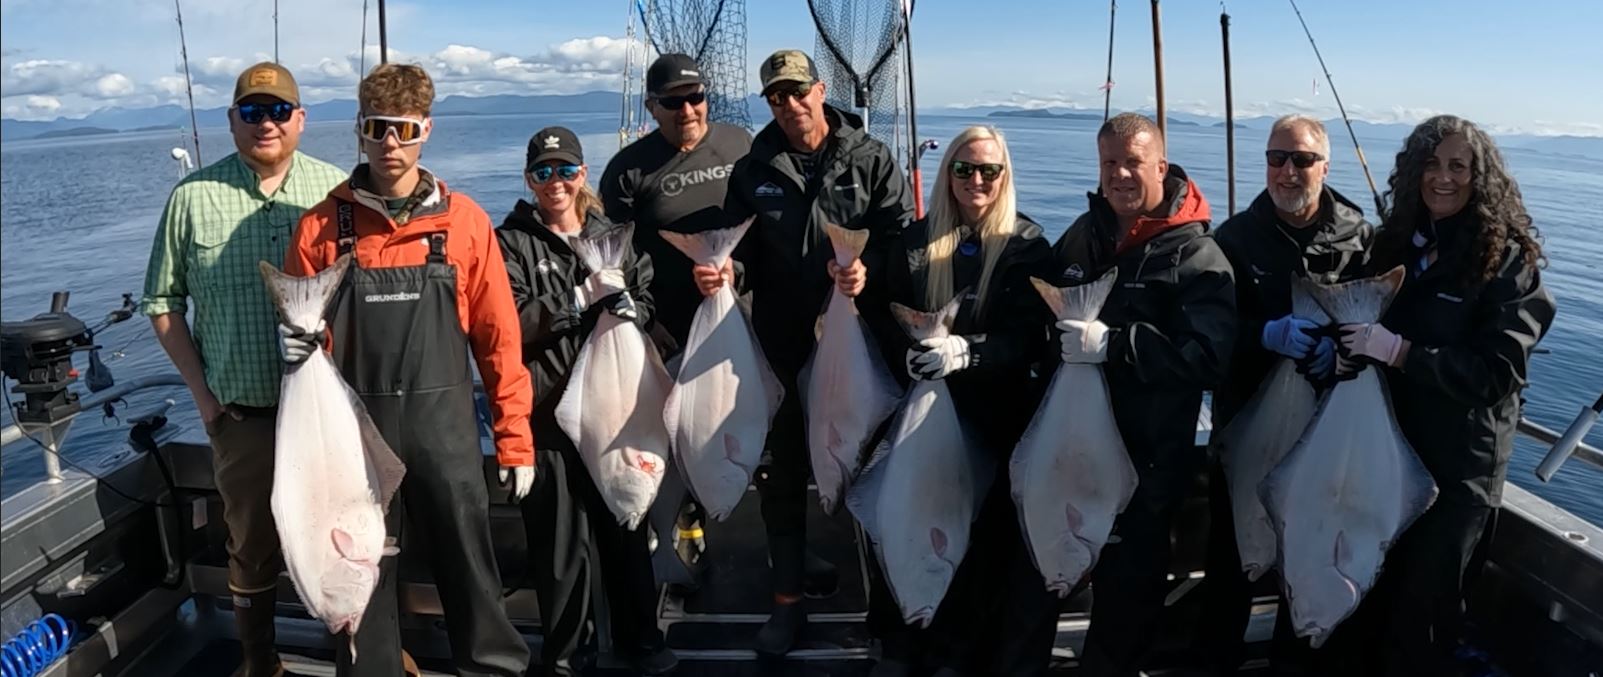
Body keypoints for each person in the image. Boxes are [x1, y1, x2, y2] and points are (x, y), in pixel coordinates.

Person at [281, 63, 533, 677]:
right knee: (359, 584)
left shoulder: (465, 221)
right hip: (353, 444)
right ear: (359, 133)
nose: (390, 144)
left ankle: (494, 668)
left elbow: (499, 341)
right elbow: (303, 344)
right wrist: (291, 347)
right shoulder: (319, 226)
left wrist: (514, 438)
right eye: (376, 128)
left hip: (444, 436)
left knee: (472, 571)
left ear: (426, 131)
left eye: (403, 129)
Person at [139, 62, 346, 677]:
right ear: (232, 121)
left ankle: (361, 652)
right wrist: (203, 397)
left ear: (301, 119)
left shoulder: (335, 190)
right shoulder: (191, 197)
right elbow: (162, 302)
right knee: (250, 544)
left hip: (324, 416)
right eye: (252, 112)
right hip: (242, 414)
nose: (267, 123)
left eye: (279, 110)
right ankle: (260, 660)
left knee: (338, 537)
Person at [1331, 114, 1555, 676]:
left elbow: (1496, 374)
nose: (1443, 178)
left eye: (1459, 166)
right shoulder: (1395, 244)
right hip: (1385, 457)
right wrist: (1346, 348)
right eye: (1430, 164)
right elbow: (1359, 317)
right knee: (1362, 606)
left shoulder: (1510, 262)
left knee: (1421, 622)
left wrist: (1403, 353)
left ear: (1482, 177)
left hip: (1457, 476)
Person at [718, 48, 914, 656]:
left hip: (862, 338)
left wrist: (868, 272)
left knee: (875, 470)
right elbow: (739, 250)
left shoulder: (873, 158)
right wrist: (721, 274)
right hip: (782, 344)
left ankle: (888, 609)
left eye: (798, 91)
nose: (791, 105)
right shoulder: (753, 168)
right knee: (783, 477)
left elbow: (902, 237)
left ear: (821, 89)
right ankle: (787, 604)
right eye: (777, 96)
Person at [1046, 112, 1236, 677]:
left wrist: (1115, 345)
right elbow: (1041, 296)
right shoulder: (1084, 233)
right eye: (1109, 163)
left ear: (1161, 165)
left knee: (1128, 593)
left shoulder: (1199, 257)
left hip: (1145, 460)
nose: (1121, 175)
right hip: (1068, 444)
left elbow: (1209, 357)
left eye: (1133, 162)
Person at [867, 126, 1057, 676]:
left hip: (993, 418)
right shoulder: (914, 242)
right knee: (900, 524)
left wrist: (967, 353)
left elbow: (1026, 336)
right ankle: (898, 643)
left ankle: (958, 652)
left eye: (989, 171)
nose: (977, 180)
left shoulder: (1027, 247)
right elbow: (882, 310)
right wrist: (907, 350)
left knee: (976, 543)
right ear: (947, 172)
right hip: (917, 414)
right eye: (964, 169)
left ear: (1005, 177)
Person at [496, 126, 677, 676]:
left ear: (582, 175)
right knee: (560, 550)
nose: (556, 182)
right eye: (544, 172)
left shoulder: (615, 236)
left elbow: (649, 300)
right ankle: (569, 656)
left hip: (616, 413)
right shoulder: (511, 243)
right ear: (529, 180)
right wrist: (576, 300)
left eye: (566, 170)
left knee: (626, 529)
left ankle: (641, 641)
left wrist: (632, 311)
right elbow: (509, 324)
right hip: (548, 419)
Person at [1198, 114, 1373, 674]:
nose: (1287, 171)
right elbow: (1213, 333)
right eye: (1277, 158)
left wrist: (1341, 352)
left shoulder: (1360, 238)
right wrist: (1265, 335)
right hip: (1248, 424)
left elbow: (1381, 328)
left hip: (1326, 433)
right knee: (1233, 569)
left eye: (1301, 159)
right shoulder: (1232, 237)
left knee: (1308, 563)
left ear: (1325, 165)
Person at [598, 53, 753, 591]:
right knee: (676, 435)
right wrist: (643, 321)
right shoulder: (629, 167)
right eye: (673, 101)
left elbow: (773, 223)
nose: (687, 109)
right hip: (667, 327)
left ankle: (752, 547)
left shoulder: (740, 145)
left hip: (741, 321)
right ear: (652, 106)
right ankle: (681, 538)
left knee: (746, 432)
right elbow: (612, 255)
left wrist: (739, 270)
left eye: (696, 97)